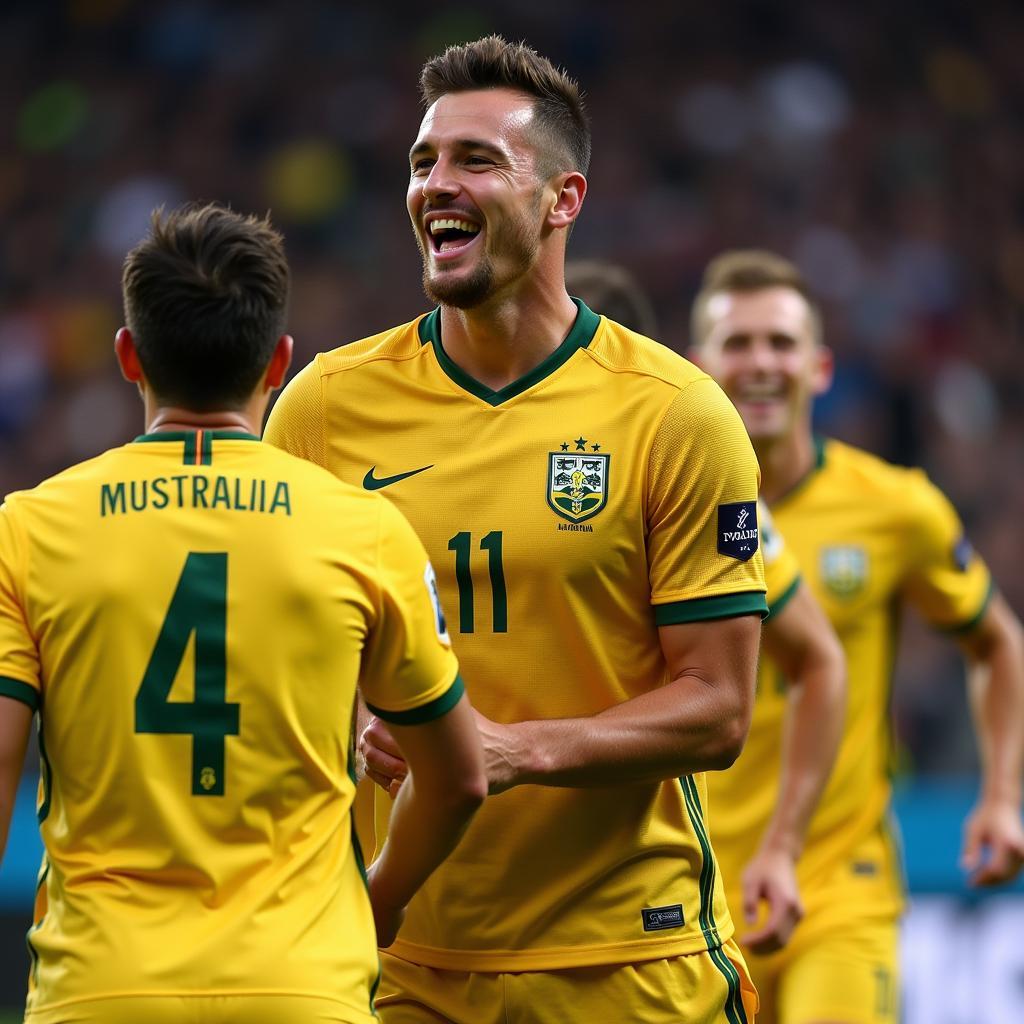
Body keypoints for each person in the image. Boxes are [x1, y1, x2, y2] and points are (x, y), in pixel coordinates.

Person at [266, 34, 767, 1024]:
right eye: (422, 162)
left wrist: (511, 749)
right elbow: (276, 655)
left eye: (474, 160)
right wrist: (347, 717)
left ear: (562, 200)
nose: (434, 184)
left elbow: (716, 708)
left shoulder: (673, 411)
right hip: (400, 959)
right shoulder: (323, 406)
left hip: (627, 956)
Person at [0, 202, 487, 1024]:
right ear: (278, 363)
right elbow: (460, 778)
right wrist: (381, 900)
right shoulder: (365, 530)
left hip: (103, 988)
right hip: (301, 986)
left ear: (128, 355)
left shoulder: (29, 529)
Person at [691, 249, 1024, 1024]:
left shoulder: (894, 508)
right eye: (738, 344)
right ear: (699, 367)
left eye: (781, 343)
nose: (761, 363)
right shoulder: (665, 514)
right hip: (693, 901)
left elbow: (997, 643)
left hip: (840, 888)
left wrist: (1003, 796)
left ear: (821, 368)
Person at [567, 258, 848, 954]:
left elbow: (818, 664)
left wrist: (783, 844)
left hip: (656, 883)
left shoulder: (697, 481)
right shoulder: (468, 472)